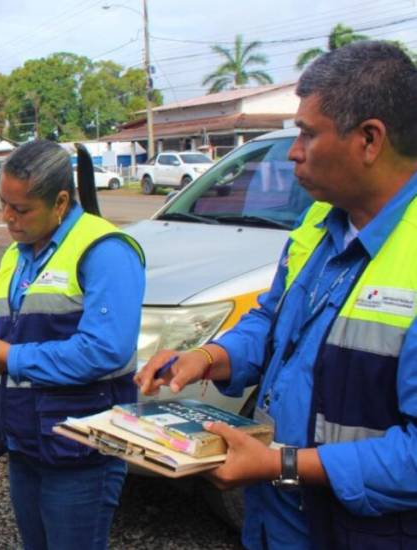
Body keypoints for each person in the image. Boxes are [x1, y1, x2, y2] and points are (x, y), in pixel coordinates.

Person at [135, 41, 417, 549]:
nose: (292, 152)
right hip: (279, 513)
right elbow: (273, 320)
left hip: (362, 529)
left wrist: (281, 463)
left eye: (307, 134)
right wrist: (209, 356)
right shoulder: (319, 222)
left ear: (370, 139)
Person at [0, 140, 146, 550]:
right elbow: (9, 328)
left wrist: (14, 360)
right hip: (26, 439)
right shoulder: (20, 253)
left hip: (80, 448)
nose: (6, 218)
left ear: (60, 202)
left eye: (20, 209)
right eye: (4, 203)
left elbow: (107, 349)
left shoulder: (105, 250)